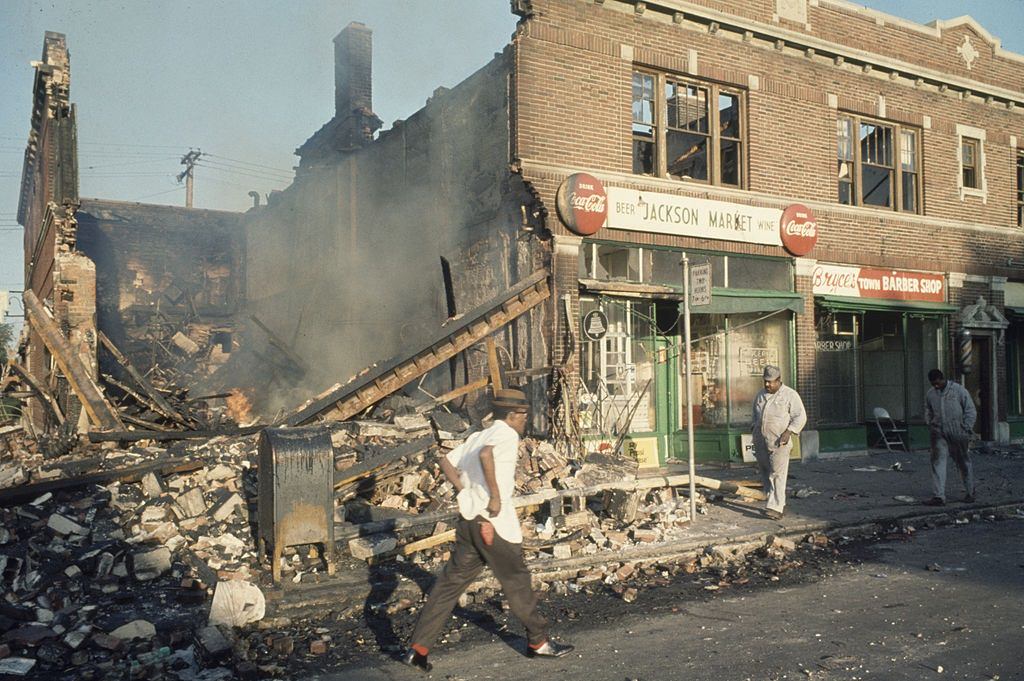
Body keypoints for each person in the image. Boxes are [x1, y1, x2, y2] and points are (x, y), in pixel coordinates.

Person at [402, 389, 574, 672]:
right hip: (493, 524)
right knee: (517, 581)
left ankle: (418, 649)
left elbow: (445, 461)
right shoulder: (505, 435)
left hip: (469, 521)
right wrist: (493, 496)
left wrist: (468, 493)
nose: (525, 421)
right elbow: (486, 456)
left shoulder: (477, 435)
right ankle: (539, 642)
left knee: (447, 586)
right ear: (513, 415)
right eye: (524, 416)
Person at [751, 365, 807, 520]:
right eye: (765, 382)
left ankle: (776, 507)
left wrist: (789, 432)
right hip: (761, 440)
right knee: (765, 470)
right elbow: (755, 415)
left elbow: (800, 416)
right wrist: (754, 429)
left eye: (771, 382)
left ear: (779, 380)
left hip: (780, 441)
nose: (768, 385)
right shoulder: (760, 395)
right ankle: (771, 499)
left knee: (777, 473)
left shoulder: (790, 395)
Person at [923, 369, 977, 505]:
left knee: (963, 462)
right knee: (937, 462)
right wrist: (930, 424)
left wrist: (966, 427)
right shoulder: (930, 394)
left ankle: (970, 492)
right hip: (939, 431)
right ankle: (939, 496)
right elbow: (928, 410)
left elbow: (970, 409)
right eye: (933, 384)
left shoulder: (958, 390)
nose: (936, 386)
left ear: (942, 379)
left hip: (957, 431)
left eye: (937, 383)